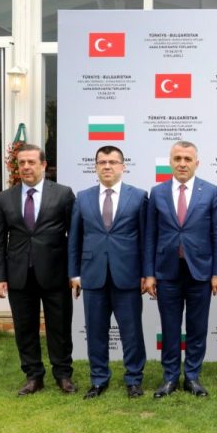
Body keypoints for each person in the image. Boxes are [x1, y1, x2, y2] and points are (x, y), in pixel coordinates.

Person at [0, 144, 76, 396]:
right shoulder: (6, 198)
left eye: (31, 162)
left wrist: (74, 273)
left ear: (43, 165)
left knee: (59, 327)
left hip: (56, 274)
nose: (26, 167)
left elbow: (74, 237)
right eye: (22, 163)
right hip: (18, 275)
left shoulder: (63, 194)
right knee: (25, 328)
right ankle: (33, 376)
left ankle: (63, 375)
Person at [144, 140, 217, 398]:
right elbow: (150, 236)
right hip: (166, 271)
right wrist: (149, 274)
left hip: (200, 272)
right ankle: (170, 378)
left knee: (197, 328)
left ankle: (192, 377)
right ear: (170, 162)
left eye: (187, 159)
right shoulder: (157, 192)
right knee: (169, 328)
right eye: (177, 158)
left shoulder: (210, 191)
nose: (182, 163)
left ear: (196, 163)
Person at [68, 145, 148, 399]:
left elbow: (146, 240)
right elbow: (74, 239)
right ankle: (99, 380)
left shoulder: (139, 197)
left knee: (131, 333)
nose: (107, 166)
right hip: (92, 276)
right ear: (95, 167)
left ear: (123, 166)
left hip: (128, 276)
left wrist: (146, 274)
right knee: (95, 332)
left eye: (113, 162)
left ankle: (133, 380)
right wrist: (74, 274)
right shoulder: (83, 197)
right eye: (102, 162)